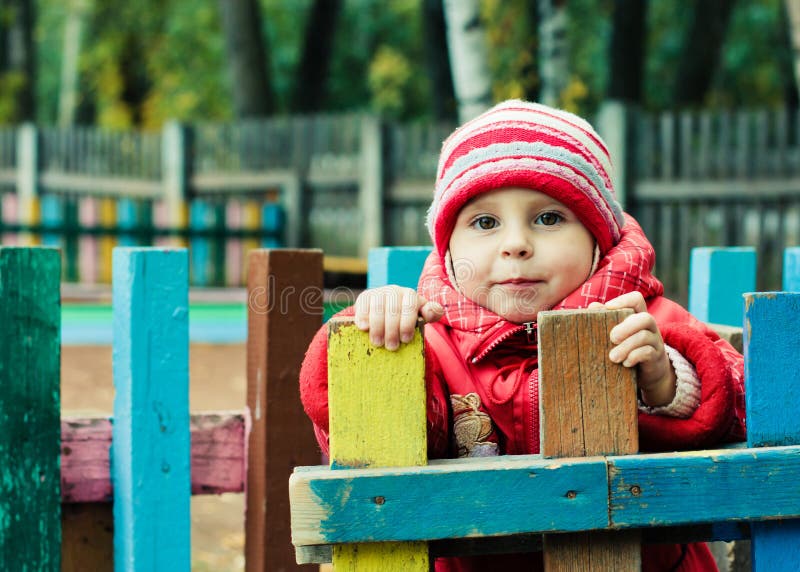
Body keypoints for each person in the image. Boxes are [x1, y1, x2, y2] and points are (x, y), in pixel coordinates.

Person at [300, 99, 746, 571]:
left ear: (600, 238)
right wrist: (376, 339)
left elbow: (743, 405)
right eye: (485, 223)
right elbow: (363, 444)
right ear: (449, 250)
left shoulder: (643, 321)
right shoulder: (431, 341)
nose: (516, 244)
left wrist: (667, 384)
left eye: (548, 218)